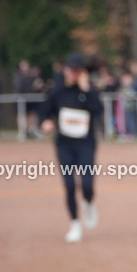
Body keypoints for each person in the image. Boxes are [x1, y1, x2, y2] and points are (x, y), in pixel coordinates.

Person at [41, 53, 103, 242]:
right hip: (64, 145)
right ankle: (75, 224)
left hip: (86, 144)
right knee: (69, 185)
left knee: (86, 185)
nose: (74, 74)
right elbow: (44, 112)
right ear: (67, 70)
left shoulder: (89, 91)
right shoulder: (57, 91)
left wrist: (86, 89)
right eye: (72, 70)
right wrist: (45, 123)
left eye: (78, 71)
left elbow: (98, 112)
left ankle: (89, 203)